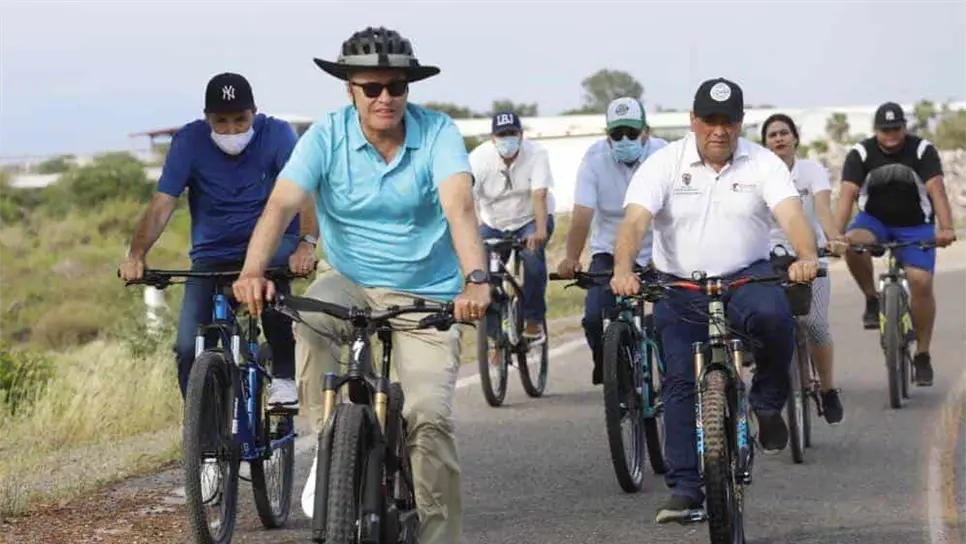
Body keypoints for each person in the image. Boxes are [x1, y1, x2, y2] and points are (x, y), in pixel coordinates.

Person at [231, 26, 490, 544]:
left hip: (427, 292)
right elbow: (281, 204)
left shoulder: (437, 133)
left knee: (428, 419)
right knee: (310, 317)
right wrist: (252, 271)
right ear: (350, 89)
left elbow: (459, 207)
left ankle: (439, 536)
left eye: (396, 86)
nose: (385, 98)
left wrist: (476, 280)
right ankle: (329, 447)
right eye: (372, 88)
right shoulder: (326, 136)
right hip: (348, 279)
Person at [609, 77, 821, 523]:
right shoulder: (664, 163)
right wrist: (623, 269)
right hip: (680, 287)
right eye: (709, 120)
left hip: (746, 279)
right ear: (693, 120)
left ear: (741, 123)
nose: (719, 131)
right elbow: (634, 223)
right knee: (679, 381)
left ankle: (767, 402)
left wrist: (806, 256)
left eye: (728, 121)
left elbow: (791, 215)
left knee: (776, 318)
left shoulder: (762, 162)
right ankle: (686, 490)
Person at [118, 72, 316, 409]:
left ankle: (284, 375)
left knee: (271, 285)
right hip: (213, 253)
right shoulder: (189, 141)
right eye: (221, 121)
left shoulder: (277, 134)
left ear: (254, 113)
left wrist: (305, 244)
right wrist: (137, 254)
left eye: (240, 119)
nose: (231, 130)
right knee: (187, 347)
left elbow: (304, 193)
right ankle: (201, 424)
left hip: (273, 244)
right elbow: (162, 204)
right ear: (207, 117)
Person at [833, 101, 957, 386]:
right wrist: (836, 236)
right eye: (885, 130)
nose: (890, 135)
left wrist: (946, 228)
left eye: (896, 129)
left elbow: (936, 189)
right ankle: (871, 299)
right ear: (875, 130)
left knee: (921, 282)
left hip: (915, 226)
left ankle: (923, 354)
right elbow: (847, 194)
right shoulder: (861, 153)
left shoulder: (922, 150)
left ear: (904, 128)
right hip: (874, 222)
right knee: (852, 244)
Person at [555, 96, 668, 385]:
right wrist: (571, 258)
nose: (624, 139)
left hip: (658, 250)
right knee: (595, 316)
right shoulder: (593, 160)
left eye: (631, 132)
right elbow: (582, 214)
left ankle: (674, 380)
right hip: (609, 250)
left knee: (673, 317)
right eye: (617, 134)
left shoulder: (664, 155)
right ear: (608, 136)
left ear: (646, 132)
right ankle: (607, 365)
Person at [761, 113, 845, 424]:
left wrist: (834, 239)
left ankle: (828, 389)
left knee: (815, 323)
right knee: (764, 325)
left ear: (795, 138)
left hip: (812, 257)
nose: (779, 138)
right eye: (772, 135)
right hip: (770, 260)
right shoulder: (758, 174)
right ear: (765, 144)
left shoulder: (812, 171)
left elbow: (823, 209)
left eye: (784, 132)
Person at [470, 110, 555, 351]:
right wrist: (474, 235)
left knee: (533, 258)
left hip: (531, 218)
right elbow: (468, 200)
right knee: (482, 274)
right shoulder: (478, 159)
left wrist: (540, 231)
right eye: (502, 135)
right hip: (494, 223)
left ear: (521, 135)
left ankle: (533, 320)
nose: (507, 139)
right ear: (492, 138)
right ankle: (495, 338)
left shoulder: (537, 154)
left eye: (512, 133)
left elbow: (539, 194)